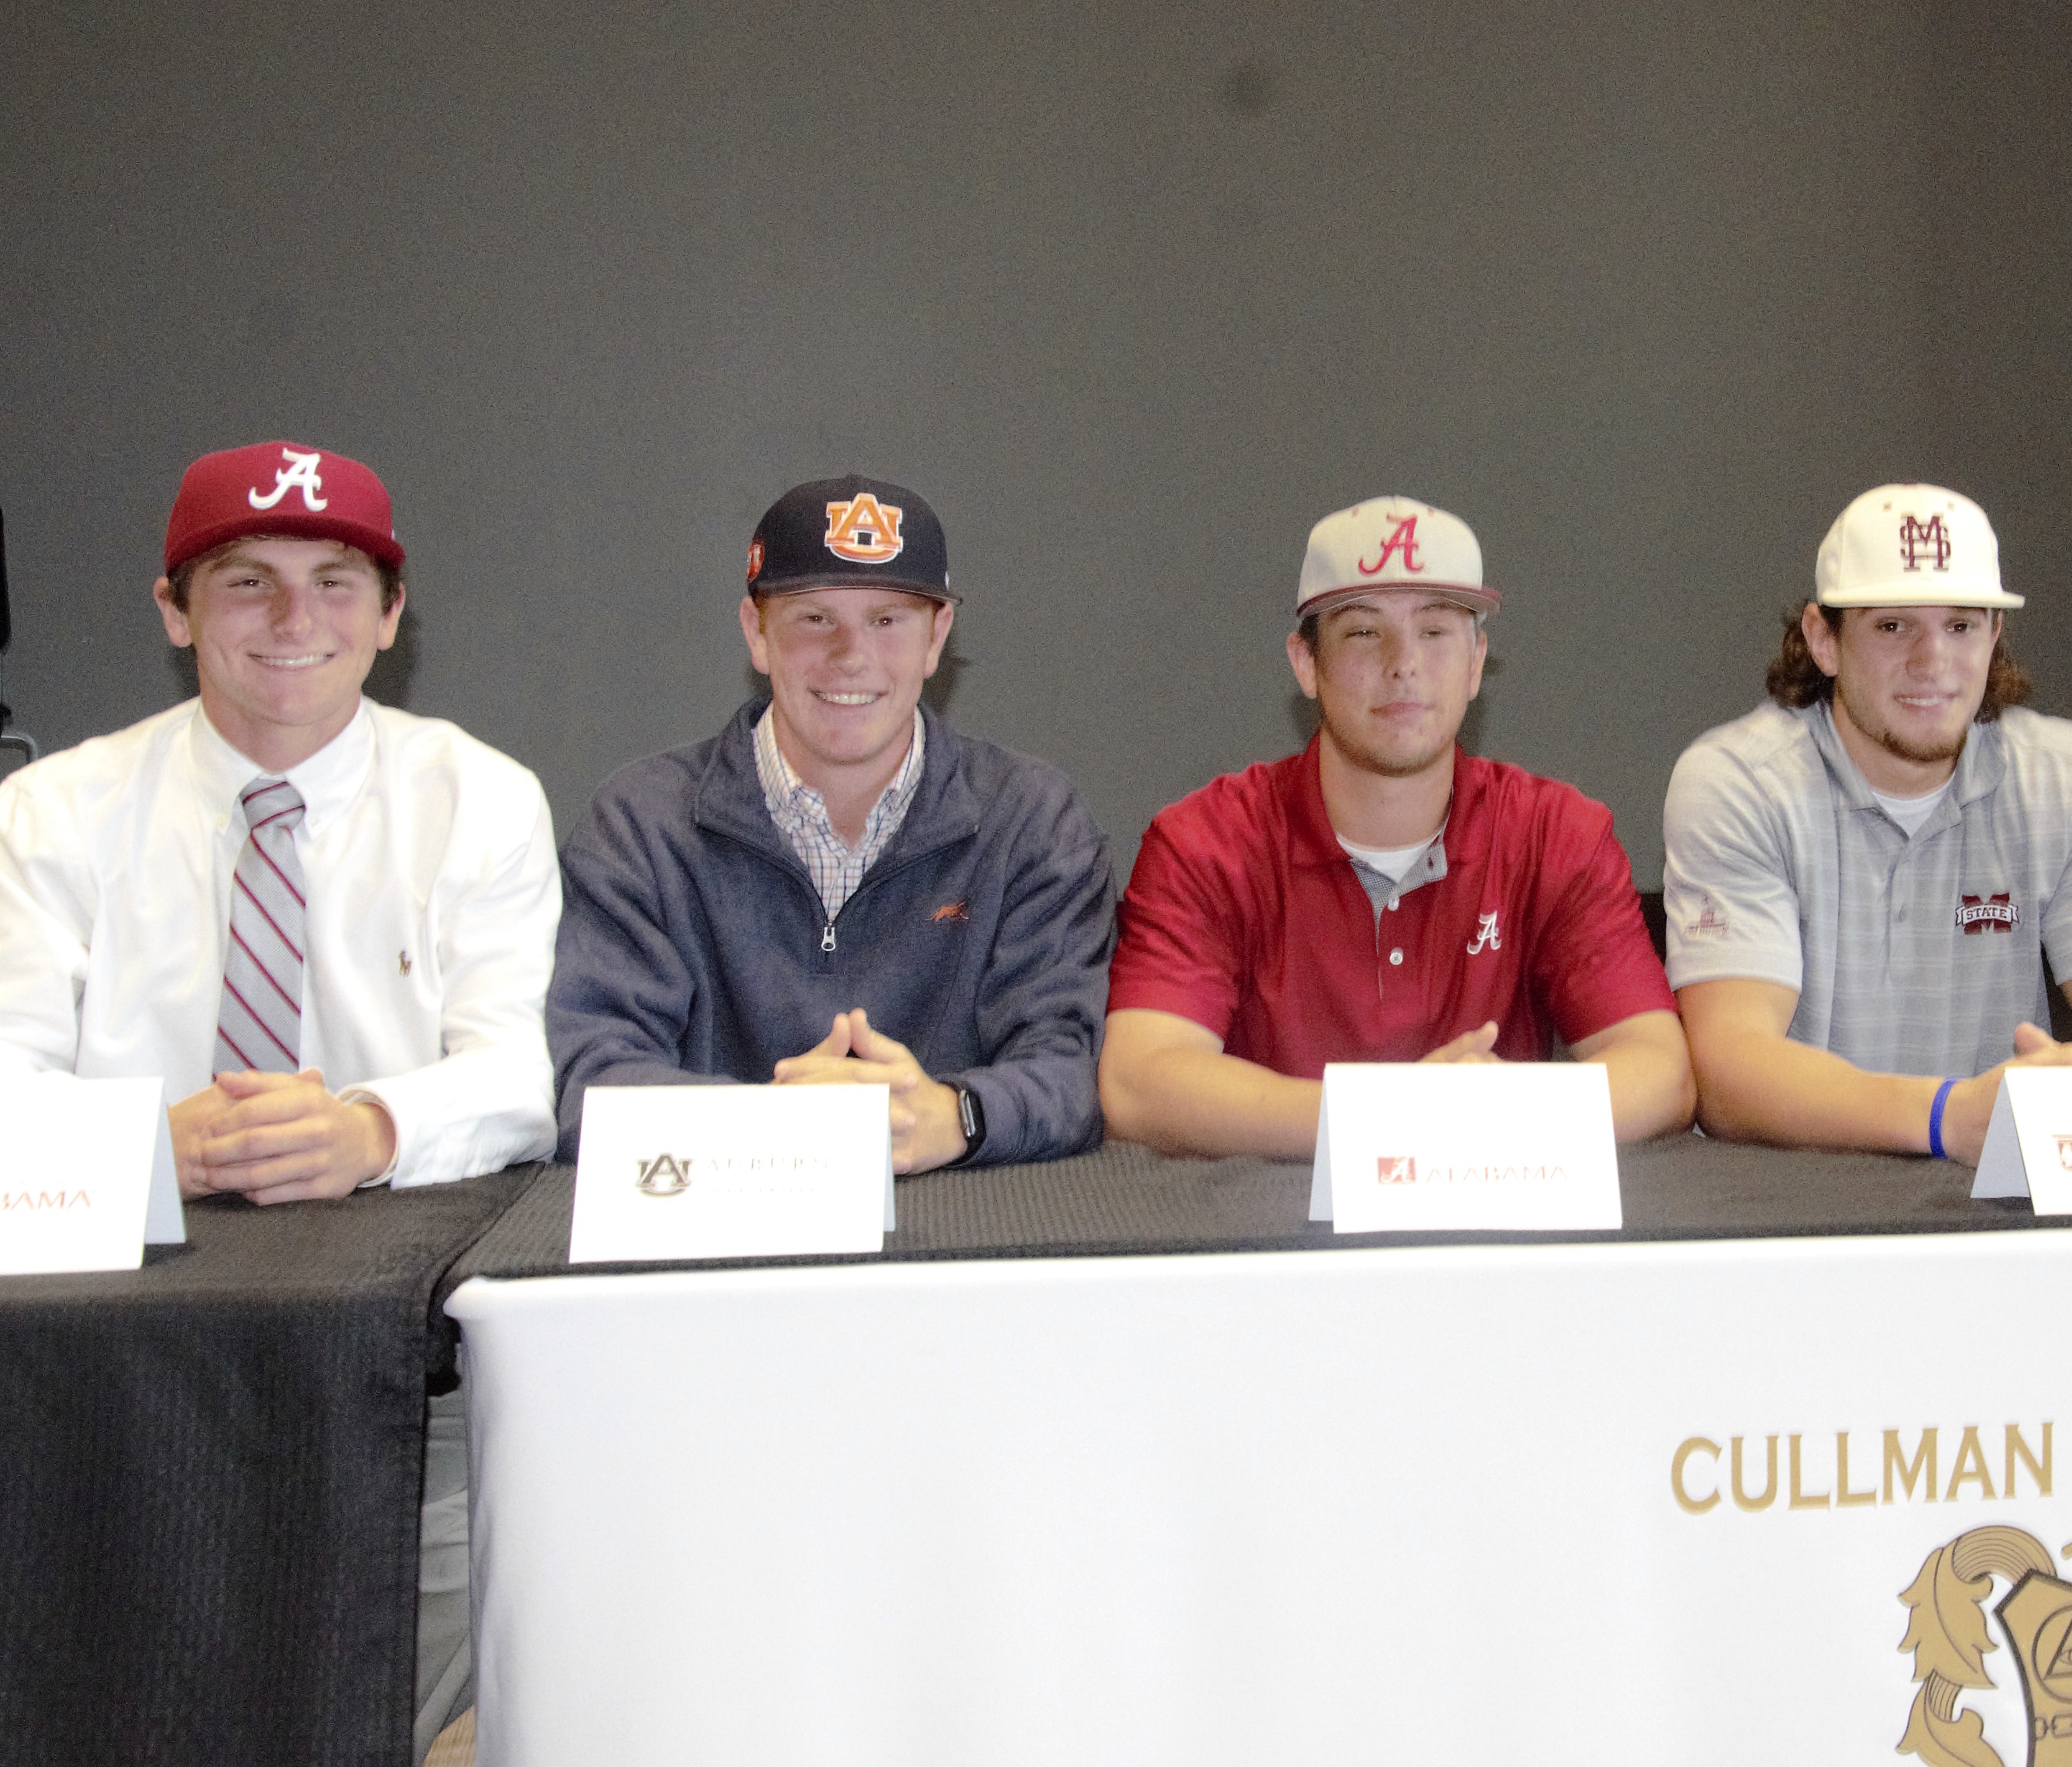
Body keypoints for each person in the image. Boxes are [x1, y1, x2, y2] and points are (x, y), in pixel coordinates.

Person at [0, 439, 558, 1762]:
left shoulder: (477, 797)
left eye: (335, 582)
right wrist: (154, 1144)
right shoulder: (50, 814)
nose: (295, 621)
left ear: (390, 616)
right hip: (101, 1379)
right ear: (172, 610)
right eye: (246, 582)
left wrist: (367, 1128)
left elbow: (529, 1072)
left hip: (391, 1373)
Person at [1100, 495, 1693, 1156]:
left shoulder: (1555, 832)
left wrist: (1512, 1113)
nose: (1402, 661)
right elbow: (1138, 1083)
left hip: (1486, 1237)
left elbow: (1661, 1073)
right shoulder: (1205, 842)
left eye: (1436, 629)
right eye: (1362, 631)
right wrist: (1390, 1117)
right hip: (1262, 1238)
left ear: (1476, 664)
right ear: (1305, 663)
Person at [548, 475, 1112, 1168]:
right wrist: (779, 1129)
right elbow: (589, 1075)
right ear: (757, 632)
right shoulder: (640, 825)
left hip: (966, 1246)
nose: (851, 653)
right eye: (814, 617)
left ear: (938, 637)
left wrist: (957, 1114)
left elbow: (1068, 1069)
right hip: (718, 1248)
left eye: (888, 619)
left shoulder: (1032, 820)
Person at [1662, 483, 2072, 1161]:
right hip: (1793, 1211)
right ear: (1821, 639)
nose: (1932, 660)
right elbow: (1731, 1069)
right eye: (1893, 626)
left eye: (1960, 625)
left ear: (1994, 636)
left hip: (1997, 1203)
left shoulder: (2064, 776)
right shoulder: (1739, 782)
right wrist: (1951, 1115)